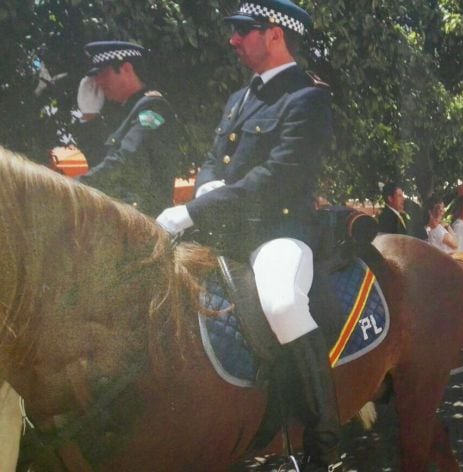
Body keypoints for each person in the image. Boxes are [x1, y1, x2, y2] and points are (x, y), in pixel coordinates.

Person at [155, 1, 340, 469]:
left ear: (275, 33)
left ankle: (325, 441)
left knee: (281, 303)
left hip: (280, 230)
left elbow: (280, 178)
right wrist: (206, 185)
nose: (233, 40)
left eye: (243, 31)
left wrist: (192, 210)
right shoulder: (239, 99)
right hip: (228, 228)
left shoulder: (309, 97)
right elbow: (214, 160)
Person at [76, 41, 180, 217]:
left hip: (144, 221)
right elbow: (98, 161)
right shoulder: (122, 113)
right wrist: (89, 117)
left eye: (103, 73)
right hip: (120, 217)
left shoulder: (153, 107)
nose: (98, 81)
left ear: (126, 69)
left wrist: (76, 185)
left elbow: (127, 158)